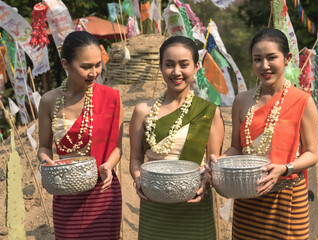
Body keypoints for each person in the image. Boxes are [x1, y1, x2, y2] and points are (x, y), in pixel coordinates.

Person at [207, 28, 318, 240]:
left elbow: (312, 153)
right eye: (257, 59)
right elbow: (237, 148)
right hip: (247, 196)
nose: (264, 66)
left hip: (287, 199)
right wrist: (220, 161)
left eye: (271, 58)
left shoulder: (303, 101)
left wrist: (285, 169)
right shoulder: (242, 101)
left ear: (286, 59)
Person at [129, 36, 224, 240]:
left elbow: (212, 163)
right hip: (154, 205)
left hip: (194, 205)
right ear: (161, 67)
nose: (176, 72)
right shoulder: (142, 111)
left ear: (197, 66)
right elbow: (136, 159)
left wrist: (205, 183)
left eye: (184, 64)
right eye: (169, 65)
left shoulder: (209, 112)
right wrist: (139, 181)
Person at [38, 31, 123, 239]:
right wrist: (46, 162)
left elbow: (118, 147)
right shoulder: (49, 101)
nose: (93, 72)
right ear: (66, 64)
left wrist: (109, 166)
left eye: (97, 65)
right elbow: (44, 146)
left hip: (102, 192)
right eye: (85, 67)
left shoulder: (110, 98)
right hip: (66, 191)